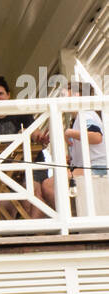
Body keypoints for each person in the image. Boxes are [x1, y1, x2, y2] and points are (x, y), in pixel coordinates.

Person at [0, 75, 48, 216]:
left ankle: (36, 234)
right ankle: (17, 233)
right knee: (2, 201)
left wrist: (36, 135)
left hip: (32, 162)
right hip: (6, 169)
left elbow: (36, 133)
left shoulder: (20, 112)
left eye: (0, 94)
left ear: (8, 95)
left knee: (32, 191)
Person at [40, 81, 107, 209]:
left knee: (49, 185)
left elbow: (97, 137)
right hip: (90, 167)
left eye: (68, 92)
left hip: (97, 168)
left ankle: (69, 221)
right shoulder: (80, 118)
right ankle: (71, 219)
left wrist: (70, 132)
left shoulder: (86, 114)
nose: (63, 96)